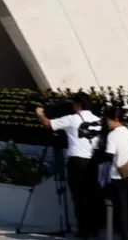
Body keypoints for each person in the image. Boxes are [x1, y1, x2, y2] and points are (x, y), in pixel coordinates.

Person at [36, 92, 101, 239]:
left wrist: (39, 113)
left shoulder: (73, 119)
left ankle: (83, 231)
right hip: (93, 162)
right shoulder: (98, 120)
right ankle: (94, 230)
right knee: (91, 196)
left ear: (78, 105)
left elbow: (48, 123)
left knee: (78, 197)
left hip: (77, 161)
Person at [102, 106, 128, 240]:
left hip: (118, 175)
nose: (107, 122)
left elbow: (110, 155)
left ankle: (125, 235)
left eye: (108, 119)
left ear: (115, 120)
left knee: (121, 208)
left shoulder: (112, 135)